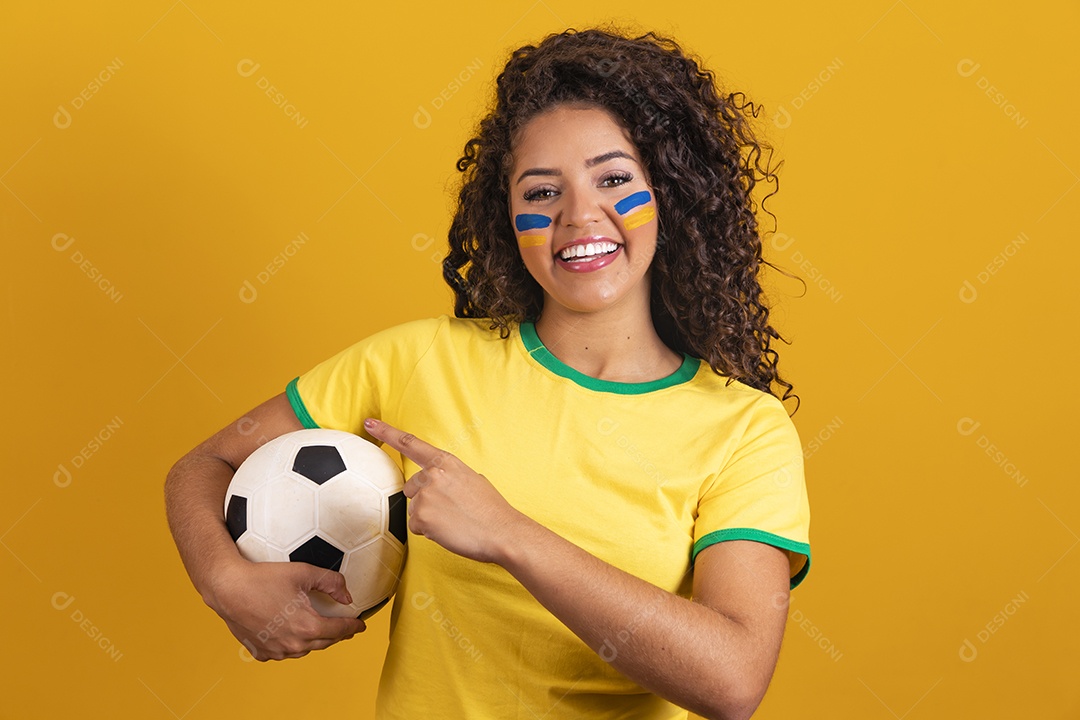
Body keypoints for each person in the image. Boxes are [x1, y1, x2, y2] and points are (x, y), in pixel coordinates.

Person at [165, 27, 811, 720]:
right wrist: (223, 579)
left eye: (614, 179)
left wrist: (507, 533)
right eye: (542, 191)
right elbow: (204, 466)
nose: (578, 216)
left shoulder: (744, 431)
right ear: (507, 214)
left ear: (671, 194)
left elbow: (733, 680)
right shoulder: (416, 360)